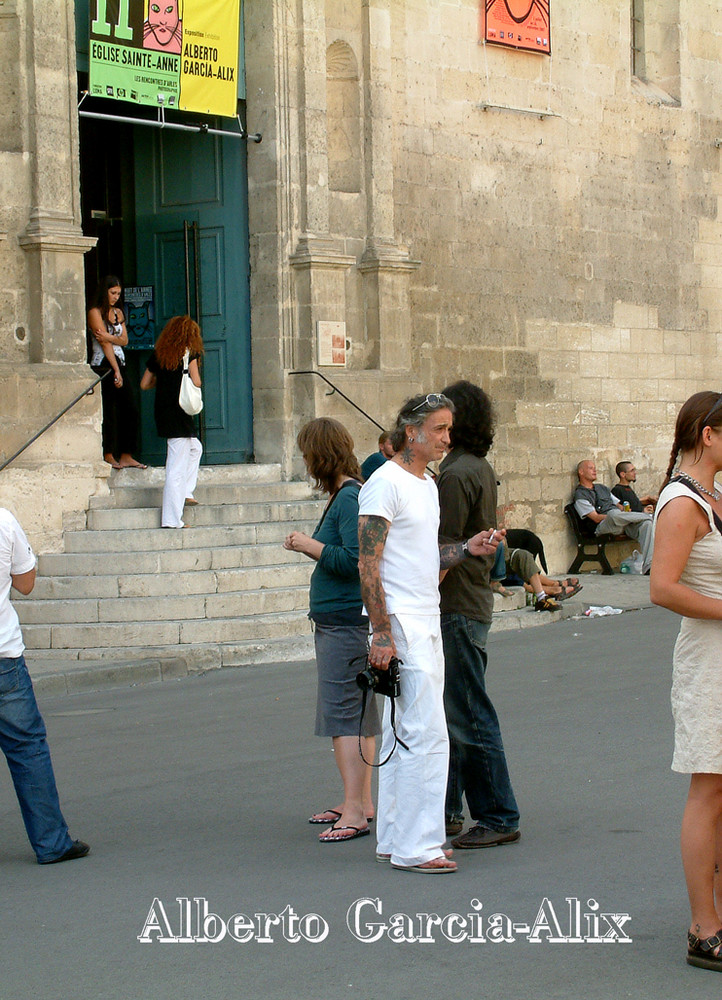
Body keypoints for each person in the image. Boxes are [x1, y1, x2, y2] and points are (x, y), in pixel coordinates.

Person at [358, 392, 501, 873]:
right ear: (411, 430)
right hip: (400, 621)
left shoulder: (425, 483)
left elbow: (422, 557)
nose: (447, 437)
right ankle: (417, 845)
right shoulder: (384, 483)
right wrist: (381, 632)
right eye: (439, 429)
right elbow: (369, 562)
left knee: (407, 733)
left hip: (425, 615)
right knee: (427, 733)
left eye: (448, 428)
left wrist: (467, 548)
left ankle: (396, 837)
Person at [650, 390, 722, 973]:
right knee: (709, 788)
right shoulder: (681, 504)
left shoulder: (712, 495)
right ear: (708, 434)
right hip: (710, 659)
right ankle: (704, 926)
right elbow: (662, 588)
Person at [284, 418, 380, 843]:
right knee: (358, 715)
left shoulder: (348, 498)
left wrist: (309, 545)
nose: (305, 463)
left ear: (320, 455)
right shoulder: (347, 495)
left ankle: (355, 810)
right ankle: (359, 800)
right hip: (344, 620)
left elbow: (354, 561)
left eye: (308, 455)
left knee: (344, 714)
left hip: (344, 622)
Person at [434, 381, 520, 849]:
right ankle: (447, 808)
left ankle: (497, 813)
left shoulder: (456, 475)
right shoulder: (476, 468)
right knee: (454, 710)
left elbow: (444, 550)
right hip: (472, 603)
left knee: (467, 712)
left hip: (458, 605)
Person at [0, 508, 89, 864]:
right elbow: (25, 583)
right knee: (26, 748)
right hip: (3, 655)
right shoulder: (3, 521)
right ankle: (51, 841)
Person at [140, 316, 203, 528]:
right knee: (175, 468)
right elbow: (196, 381)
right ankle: (172, 519)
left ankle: (186, 491)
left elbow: (145, 383)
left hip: (163, 411)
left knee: (195, 448)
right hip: (181, 412)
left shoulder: (159, 354)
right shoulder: (189, 353)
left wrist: (165, 379)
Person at [88, 275, 145, 470]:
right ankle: (109, 453)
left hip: (120, 361)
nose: (115, 297)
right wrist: (115, 370)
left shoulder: (118, 313)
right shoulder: (95, 312)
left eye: (118, 294)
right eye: (112, 293)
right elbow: (103, 343)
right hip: (105, 364)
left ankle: (127, 453)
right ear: (104, 292)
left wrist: (109, 336)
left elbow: (125, 341)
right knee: (110, 410)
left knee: (130, 408)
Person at [573, 459, 654, 572]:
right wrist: (620, 515)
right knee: (613, 514)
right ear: (581, 472)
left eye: (595, 468)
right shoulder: (580, 495)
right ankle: (648, 516)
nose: (595, 470)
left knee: (646, 524)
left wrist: (625, 512)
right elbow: (596, 518)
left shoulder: (602, 488)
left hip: (622, 523)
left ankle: (649, 566)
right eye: (591, 468)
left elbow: (619, 505)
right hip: (604, 526)